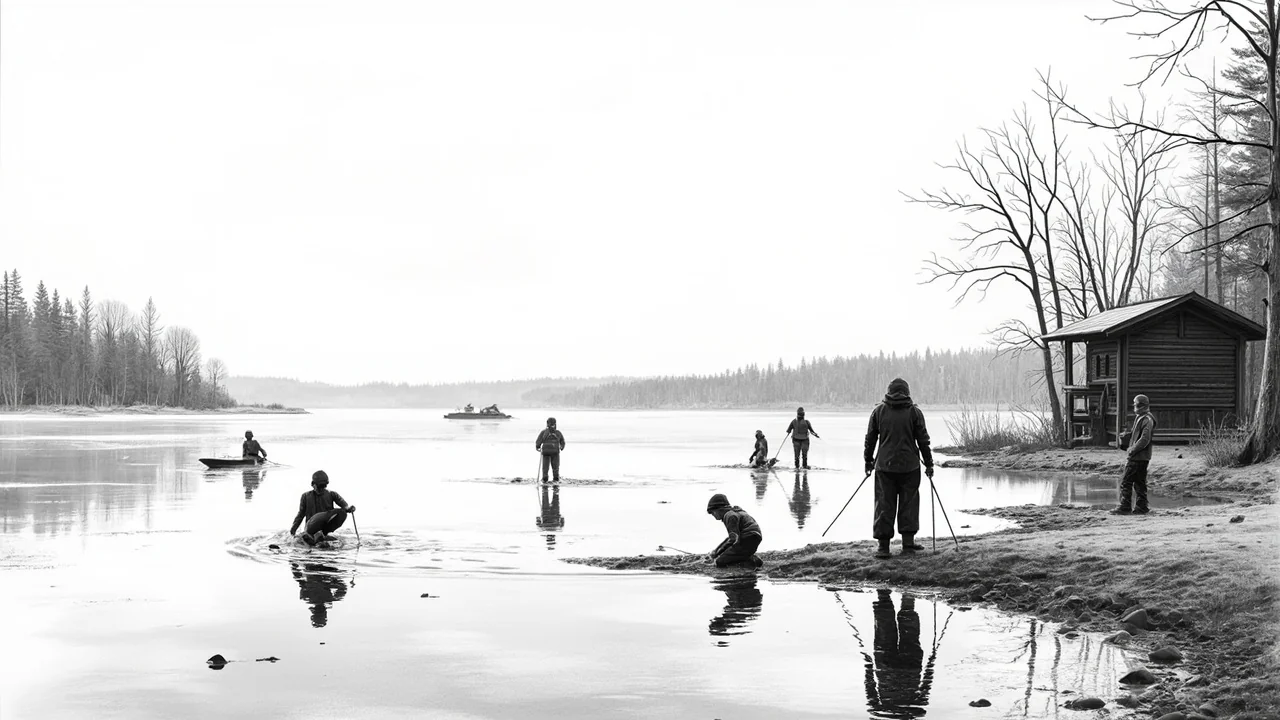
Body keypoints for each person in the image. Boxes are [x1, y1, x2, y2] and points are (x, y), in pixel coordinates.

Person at [863, 378, 934, 559]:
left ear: (889, 391)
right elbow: (923, 440)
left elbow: (870, 439)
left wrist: (868, 461)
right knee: (909, 504)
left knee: (883, 504)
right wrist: (929, 463)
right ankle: (908, 545)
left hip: (884, 467)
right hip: (910, 467)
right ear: (907, 392)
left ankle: (883, 548)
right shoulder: (914, 412)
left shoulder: (878, 411)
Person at [864, 589, 932, 716]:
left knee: (909, 633)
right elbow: (871, 696)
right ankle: (884, 595)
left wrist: (930, 668)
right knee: (884, 633)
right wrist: (868, 668)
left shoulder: (911, 714)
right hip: (887, 671)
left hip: (910, 672)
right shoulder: (881, 712)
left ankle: (907, 597)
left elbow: (923, 699)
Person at [1113, 394, 1156, 515]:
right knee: (1139, 483)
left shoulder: (1147, 419)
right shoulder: (1142, 417)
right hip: (1142, 456)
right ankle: (1141, 507)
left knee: (1126, 481)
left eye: (1135, 404)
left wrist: (1132, 449)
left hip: (1138, 456)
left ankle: (1125, 507)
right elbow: (1139, 435)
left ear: (1140, 405)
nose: (1134, 407)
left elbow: (1145, 439)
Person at [289, 470, 356, 546]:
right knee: (308, 536)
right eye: (319, 486)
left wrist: (349, 509)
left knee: (342, 513)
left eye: (324, 486)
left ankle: (322, 536)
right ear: (313, 484)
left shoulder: (332, 494)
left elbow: (344, 506)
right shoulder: (305, 496)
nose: (321, 489)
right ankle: (313, 537)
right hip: (311, 528)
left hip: (324, 529)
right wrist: (293, 529)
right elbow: (300, 514)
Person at [706, 493, 764, 569]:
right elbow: (731, 538)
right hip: (754, 537)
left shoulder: (729, 516)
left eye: (712, 512)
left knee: (719, 562)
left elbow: (733, 539)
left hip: (747, 537)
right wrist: (716, 551)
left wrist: (718, 554)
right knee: (736, 552)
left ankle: (751, 561)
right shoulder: (735, 512)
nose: (713, 515)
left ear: (719, 510)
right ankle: (749, 557)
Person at [535, 417, 566, 484]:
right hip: (555, 452)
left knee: (545, 468)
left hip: (546, 452)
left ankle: (545, 479)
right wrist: (562, 447)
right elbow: (562, 441)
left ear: (547, 423)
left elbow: (538, 441)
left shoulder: (544, 432)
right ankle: (556, 479)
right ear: (555, 424)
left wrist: (538, 446)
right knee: (556, 467)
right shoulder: (558, 433)